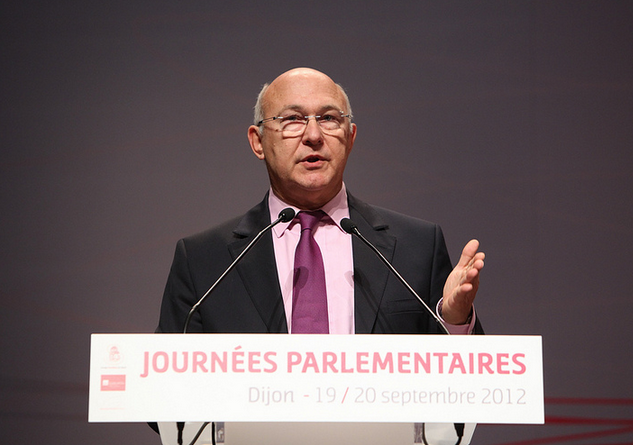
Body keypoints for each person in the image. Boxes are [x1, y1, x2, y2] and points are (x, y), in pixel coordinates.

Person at [156, 67, 484, 338]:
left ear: (350, 137)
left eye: (328, 118)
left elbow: (461, 385)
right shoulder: (204, 262)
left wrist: (455, 321)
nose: (313, 136)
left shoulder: (417, 247)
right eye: (292, 119)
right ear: (258, 142)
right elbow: (167, 386)